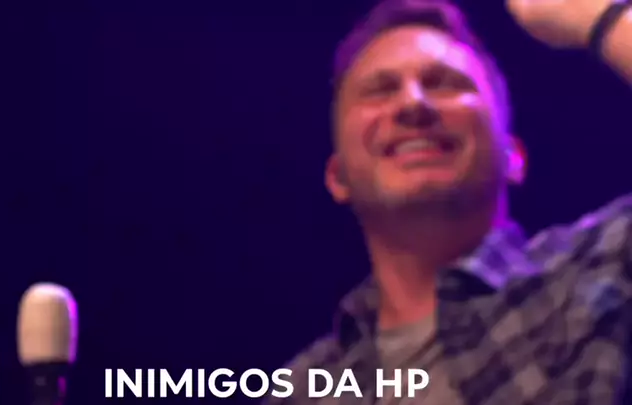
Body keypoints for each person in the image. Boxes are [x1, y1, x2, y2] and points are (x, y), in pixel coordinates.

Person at [263, 0, 632, 403]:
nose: (413, 103)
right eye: (380, 90)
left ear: (512, 156)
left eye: (444, 83)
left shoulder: (604, 266)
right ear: (339, 177)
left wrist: (603, 18)